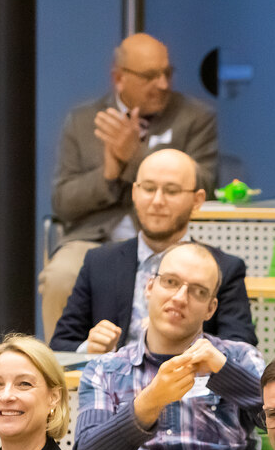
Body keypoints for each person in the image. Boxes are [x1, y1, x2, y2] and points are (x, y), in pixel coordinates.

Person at [43, 33, 218, 331]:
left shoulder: (194, 118)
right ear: (119, 78)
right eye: (150, 76)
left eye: (167, 73)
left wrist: (134, 157)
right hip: (93, 240)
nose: (162, 84)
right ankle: (61, 371)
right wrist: (109, 174)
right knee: (61, 275)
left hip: (168, 241)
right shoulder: (83, 121)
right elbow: (64, 202)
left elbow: (205, 186)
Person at [75, 242, 265, 450]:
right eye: (170, 282)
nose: (180, 298)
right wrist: (149, 403)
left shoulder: (240, 357)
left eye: (198, 291)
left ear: (210, 309)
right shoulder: (104, 369)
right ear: (149, 287)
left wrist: (227, 373)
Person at [51, 148, 253, 353]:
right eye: (148, 189)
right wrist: (89, 348)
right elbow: (61, 345)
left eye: (171, 191)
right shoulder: (100, 262)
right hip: (112, 381)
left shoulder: (223, 269)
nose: (157, 201)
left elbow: (241, 351)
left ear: (197, 200)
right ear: (134, 193)